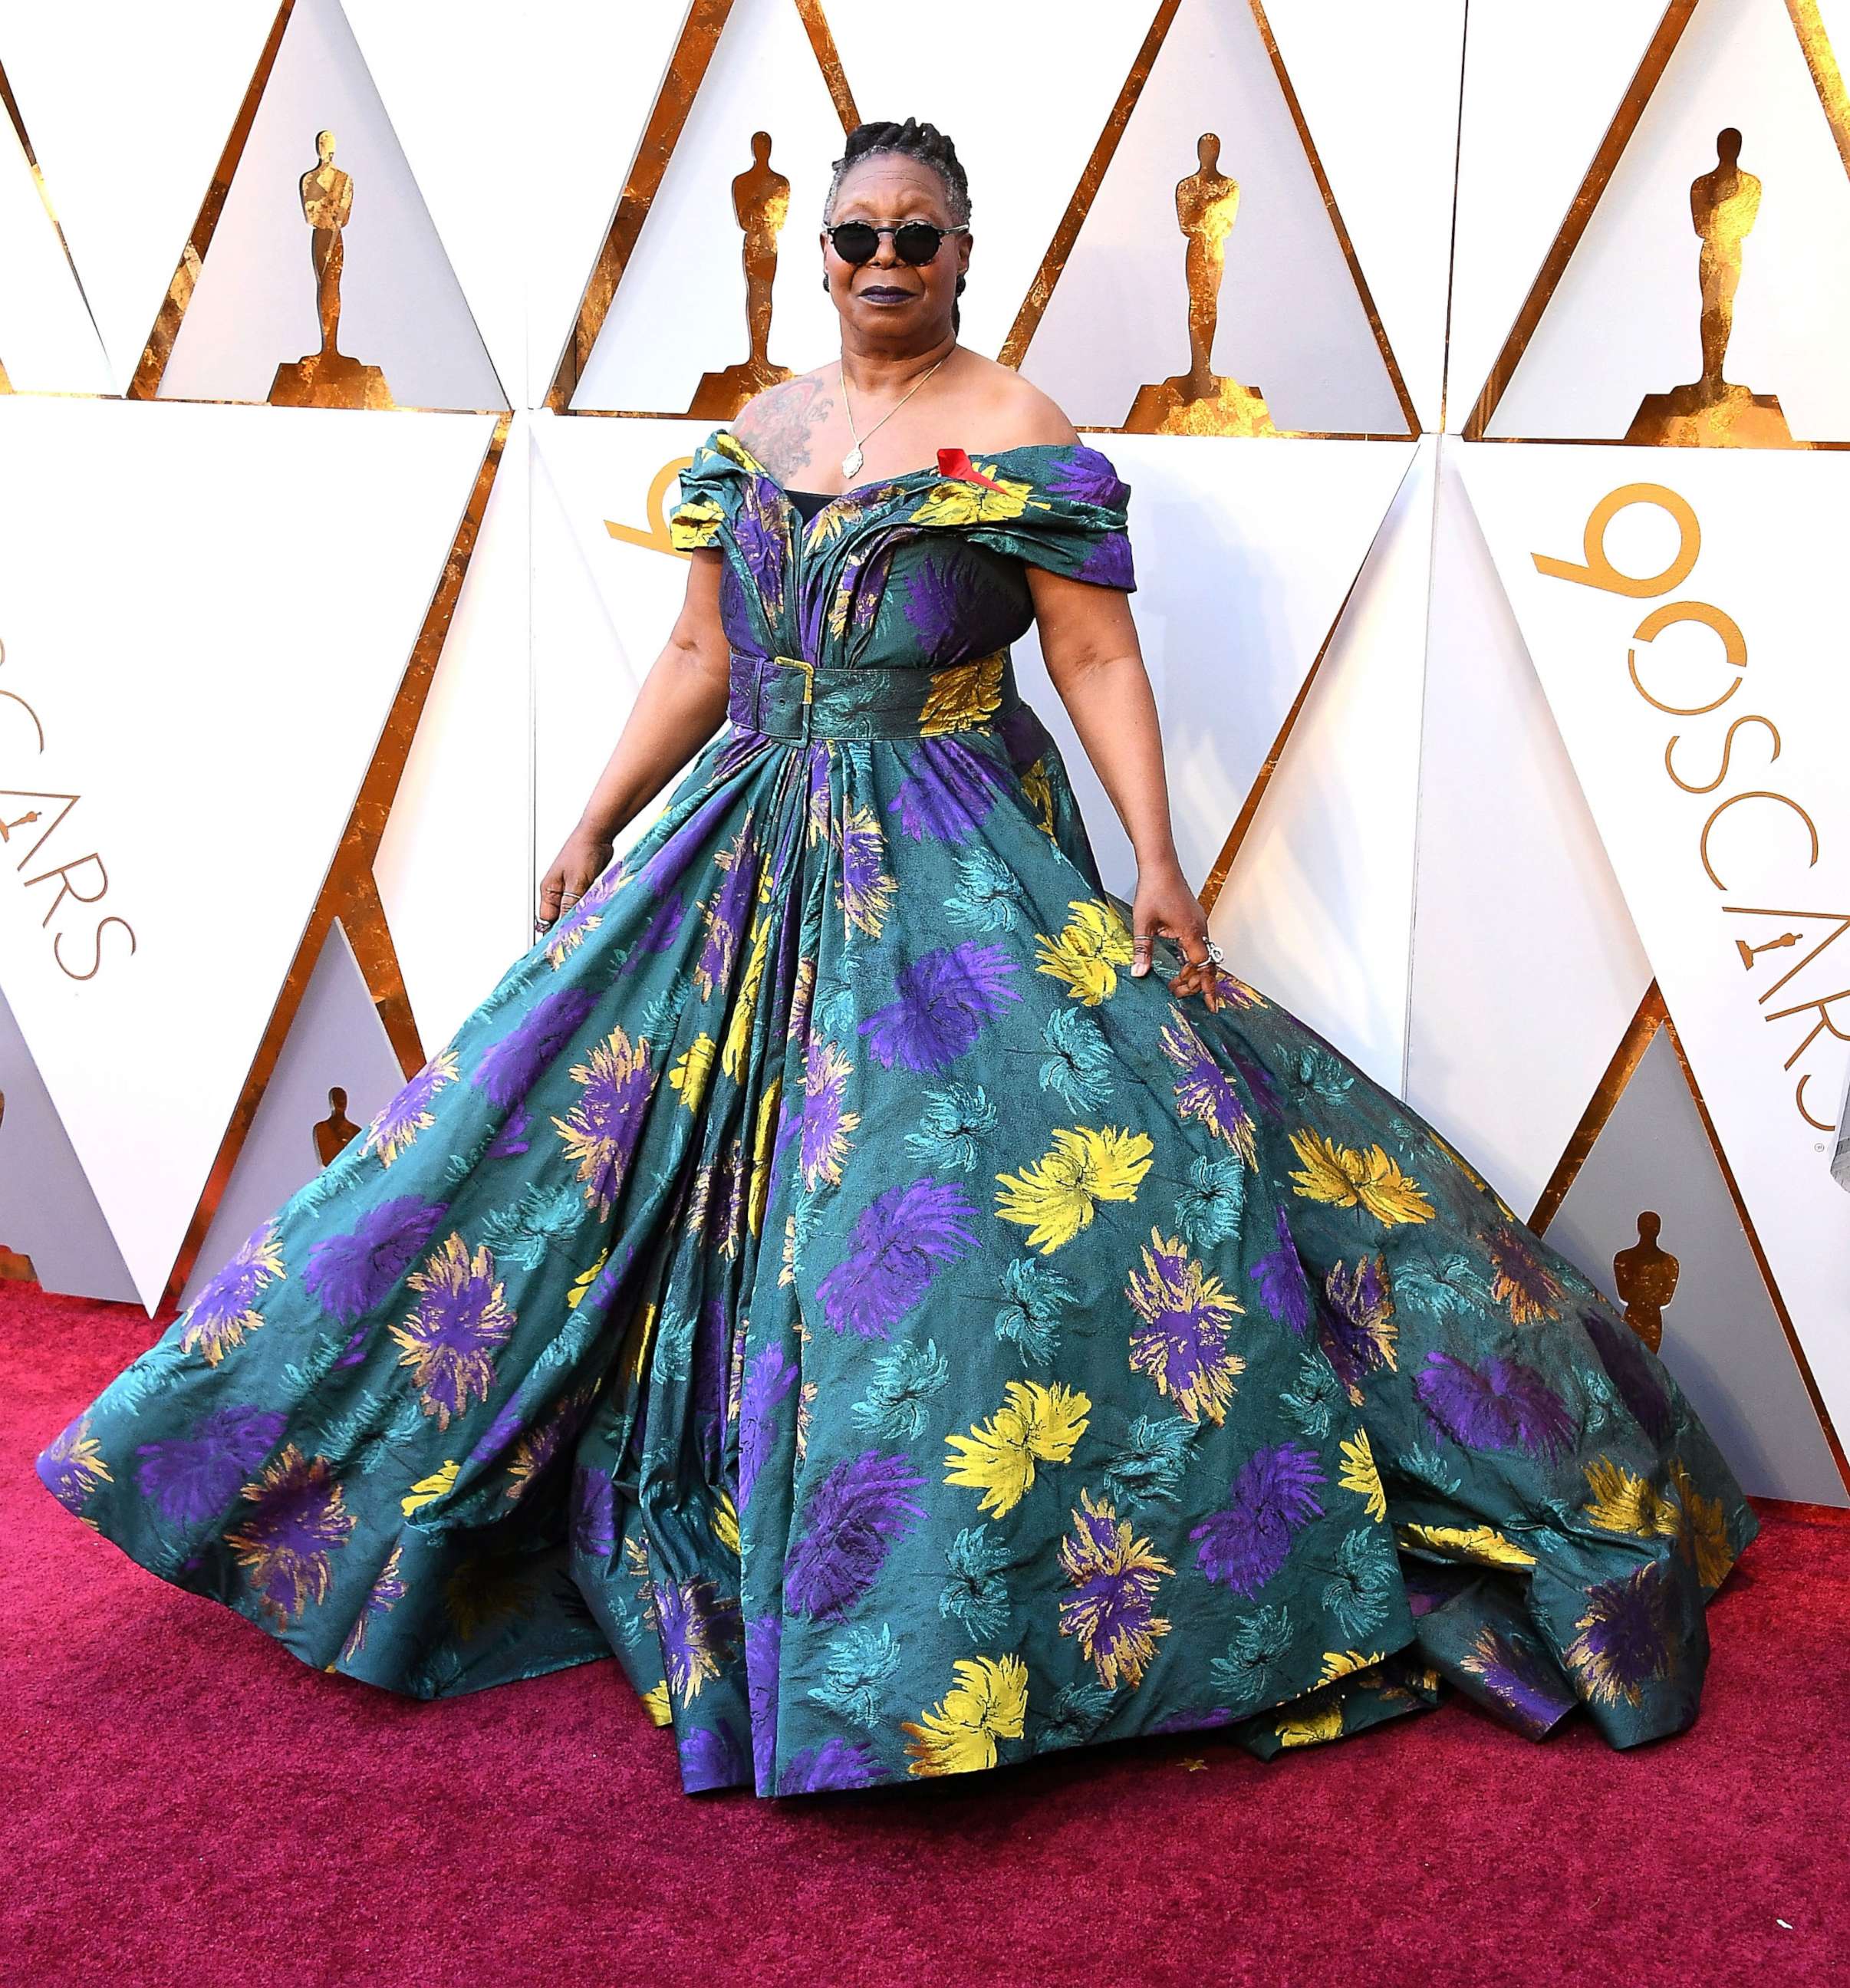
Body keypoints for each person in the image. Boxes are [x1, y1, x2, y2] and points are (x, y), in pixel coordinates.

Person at [39, 117, 1756, 1798]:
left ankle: (944, 1613)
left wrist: (1158, 858)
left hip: (947, 848)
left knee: (951, 1196)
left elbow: (1088, 661)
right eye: (853, 238)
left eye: (912, 239)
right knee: (520, 1146)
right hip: (738, 843)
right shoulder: (758, 425)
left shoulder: (1015, 426)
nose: (879, 265)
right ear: (821, 254)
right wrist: (597, 817)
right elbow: (703, 651)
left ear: (961, 253)